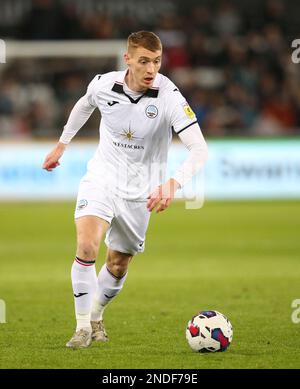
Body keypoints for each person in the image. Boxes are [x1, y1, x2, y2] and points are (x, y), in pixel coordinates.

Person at [42, 31, 208, 349]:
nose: (151, 69)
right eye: (144, 61)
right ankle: (82, 329)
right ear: (128, 59)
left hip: (140, 193)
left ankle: (96, 314)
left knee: (117, 264)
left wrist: (173, 184)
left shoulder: (169, 96)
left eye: (157, 61)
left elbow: (199, 150)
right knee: (87, 246)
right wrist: (62, 144)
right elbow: (84, 104)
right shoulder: (104, 84)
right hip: (102, 178)